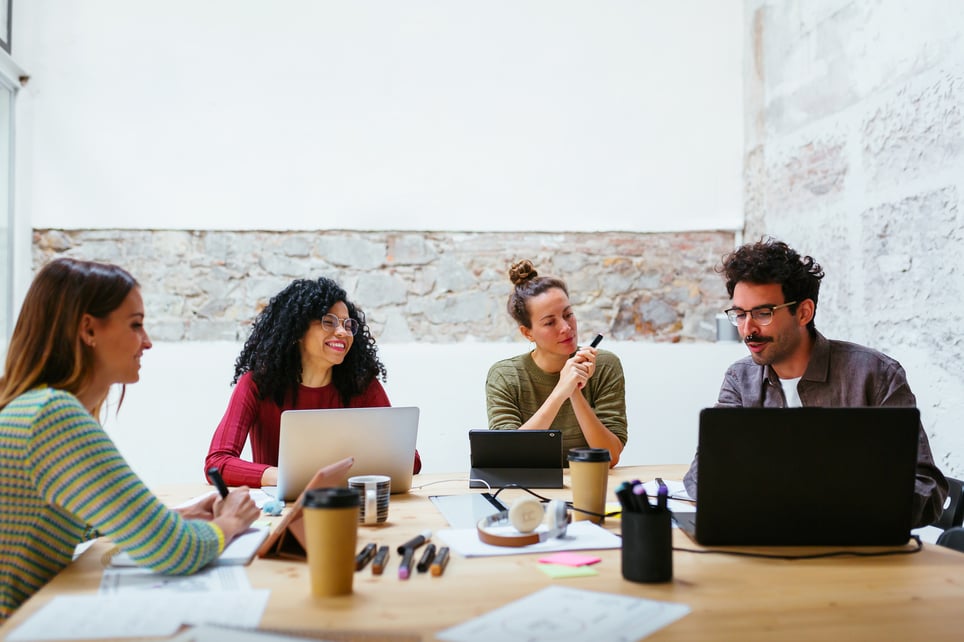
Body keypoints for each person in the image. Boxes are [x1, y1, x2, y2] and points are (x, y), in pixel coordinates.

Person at [0, 258, 259, 621]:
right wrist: (230, 522)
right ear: (88, 329)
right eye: (136, 325)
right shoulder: (51, 414)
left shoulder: (37, 408)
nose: (147, 342)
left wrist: (171, 516)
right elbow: (176, 551)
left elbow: (84, 519)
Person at [683, 238, 947, 528]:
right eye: (740, 315)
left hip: (858, 553)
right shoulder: (740, 379)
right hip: (767, 548)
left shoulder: (876, 374)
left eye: (763, 313)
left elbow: (926, 488)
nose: (748, 330)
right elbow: (703, 474)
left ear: (804, 312)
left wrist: (839, 502)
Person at [205, 277, 421, 487]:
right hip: (279, 511)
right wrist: (286, 478)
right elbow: (217, 462)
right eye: (329, 322)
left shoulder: (362, 385)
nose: (342, 332)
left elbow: (410, 461)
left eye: (348, 325)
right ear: (298, 330)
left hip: (347, 505)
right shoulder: (256, 384)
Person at [486, 259, 627, 466]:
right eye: (550, 322)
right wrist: (561, 390)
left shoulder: (604, 365)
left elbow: (610, 456)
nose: (566, 328)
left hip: (587, 484)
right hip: (526, 490)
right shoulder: (505, 376)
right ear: (528, 333)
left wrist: (575, 390)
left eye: (568, 315)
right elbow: (510, 455)